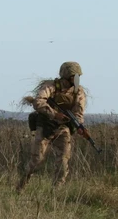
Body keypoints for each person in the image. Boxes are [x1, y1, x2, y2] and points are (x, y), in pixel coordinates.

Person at [17, 61, 87, 192]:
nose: (76, 79)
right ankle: (21, 186)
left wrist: (79, 125)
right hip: (46, 125)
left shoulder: (79, 92)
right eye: (74, 76)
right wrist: (54, 114)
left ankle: (55, 192)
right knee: (37, 160)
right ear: (66, 75)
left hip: (63, 128)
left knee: (63, 162)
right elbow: (38, 102)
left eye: (77, 76)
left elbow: (79, 111)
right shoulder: (51, 86)